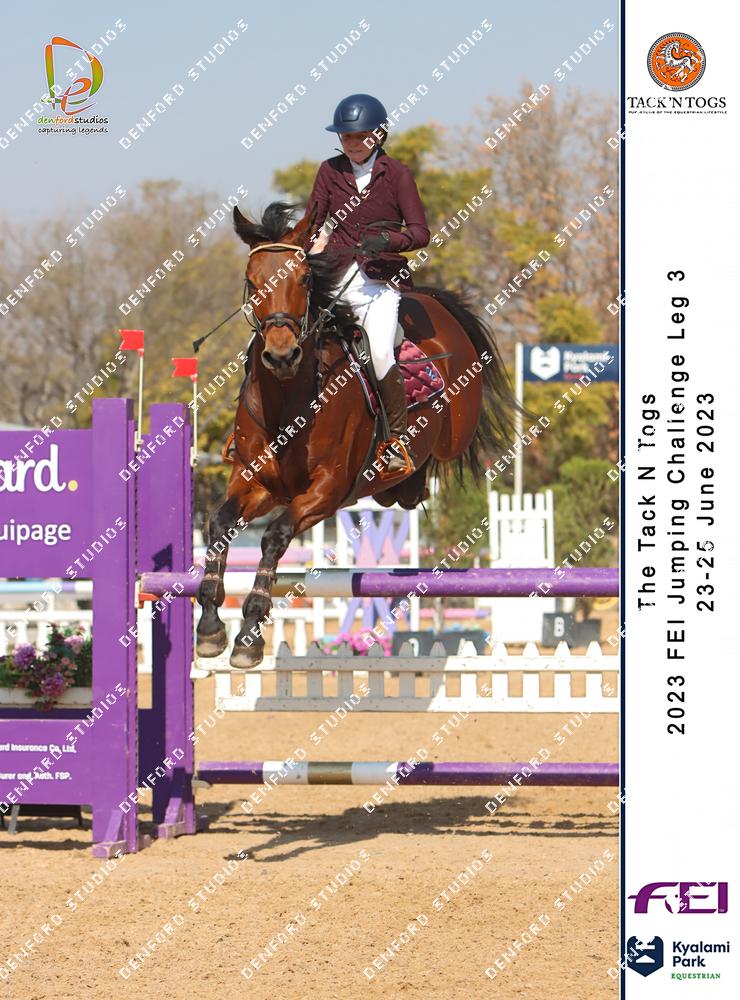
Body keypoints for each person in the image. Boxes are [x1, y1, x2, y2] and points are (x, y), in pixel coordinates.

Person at [305, 93, 430, 474]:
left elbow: (420, 233)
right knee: (290, 335)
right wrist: (301, 249)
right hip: (336, 277)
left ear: (378, 135)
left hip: (380, 283)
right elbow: (312, 223)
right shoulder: (329, 171)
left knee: (378, 352)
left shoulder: (397, 174)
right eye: (347, 137)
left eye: (360, 136)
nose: (353, 143)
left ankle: (397, 441)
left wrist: (389, 241)